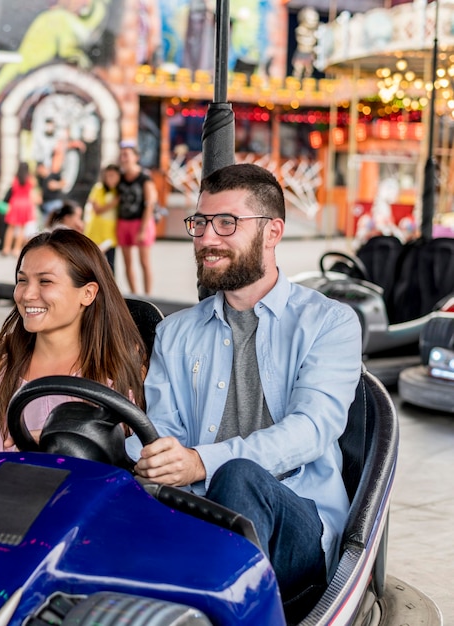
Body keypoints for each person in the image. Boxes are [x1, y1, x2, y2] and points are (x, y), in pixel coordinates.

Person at [125, 163, 362, 617]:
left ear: (272, 232)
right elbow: (163, 426)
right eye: (200, 223)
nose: (207, 238)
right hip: (194, 513)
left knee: (236, 475)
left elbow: (311, 429)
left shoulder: (328, 323)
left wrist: (199, 461)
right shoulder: (176, 332)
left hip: (297, 524)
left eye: (226, 223)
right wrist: (151, 453)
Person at [0, 229, 147, 452]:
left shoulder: (118, 368)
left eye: (45, 281)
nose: (27, 294)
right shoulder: (1, 362)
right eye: (22, 280)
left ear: (88, 293)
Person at [117, 141, 158, 295]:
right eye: (122, 155)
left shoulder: (144, 178)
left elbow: (150, 204)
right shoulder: (119, 177)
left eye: (127, 154)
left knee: (144, 262)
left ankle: (148, 296)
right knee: (127, 262)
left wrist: (142, 229)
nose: (124, 158)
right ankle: (135, 295)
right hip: (123, 221)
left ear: (136, 157)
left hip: (141, 222)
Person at [85, 164, 120, 272]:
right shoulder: (98, 188)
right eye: (108, 175)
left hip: (111, 232)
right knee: (94, 263)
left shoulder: (119, 191)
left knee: (111, 265)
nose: (110, 178)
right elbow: (97, 209)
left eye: (113, 176)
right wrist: (113, 203)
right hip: (96, 231)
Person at [2, 162, 40, 256]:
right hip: (25, 204)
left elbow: (12, 189)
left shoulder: (15, 178)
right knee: (22, 229)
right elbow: (34, 188)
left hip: (15, 203)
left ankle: (6, 248)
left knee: (10, 227)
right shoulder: (30, 179)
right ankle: (16, 249)